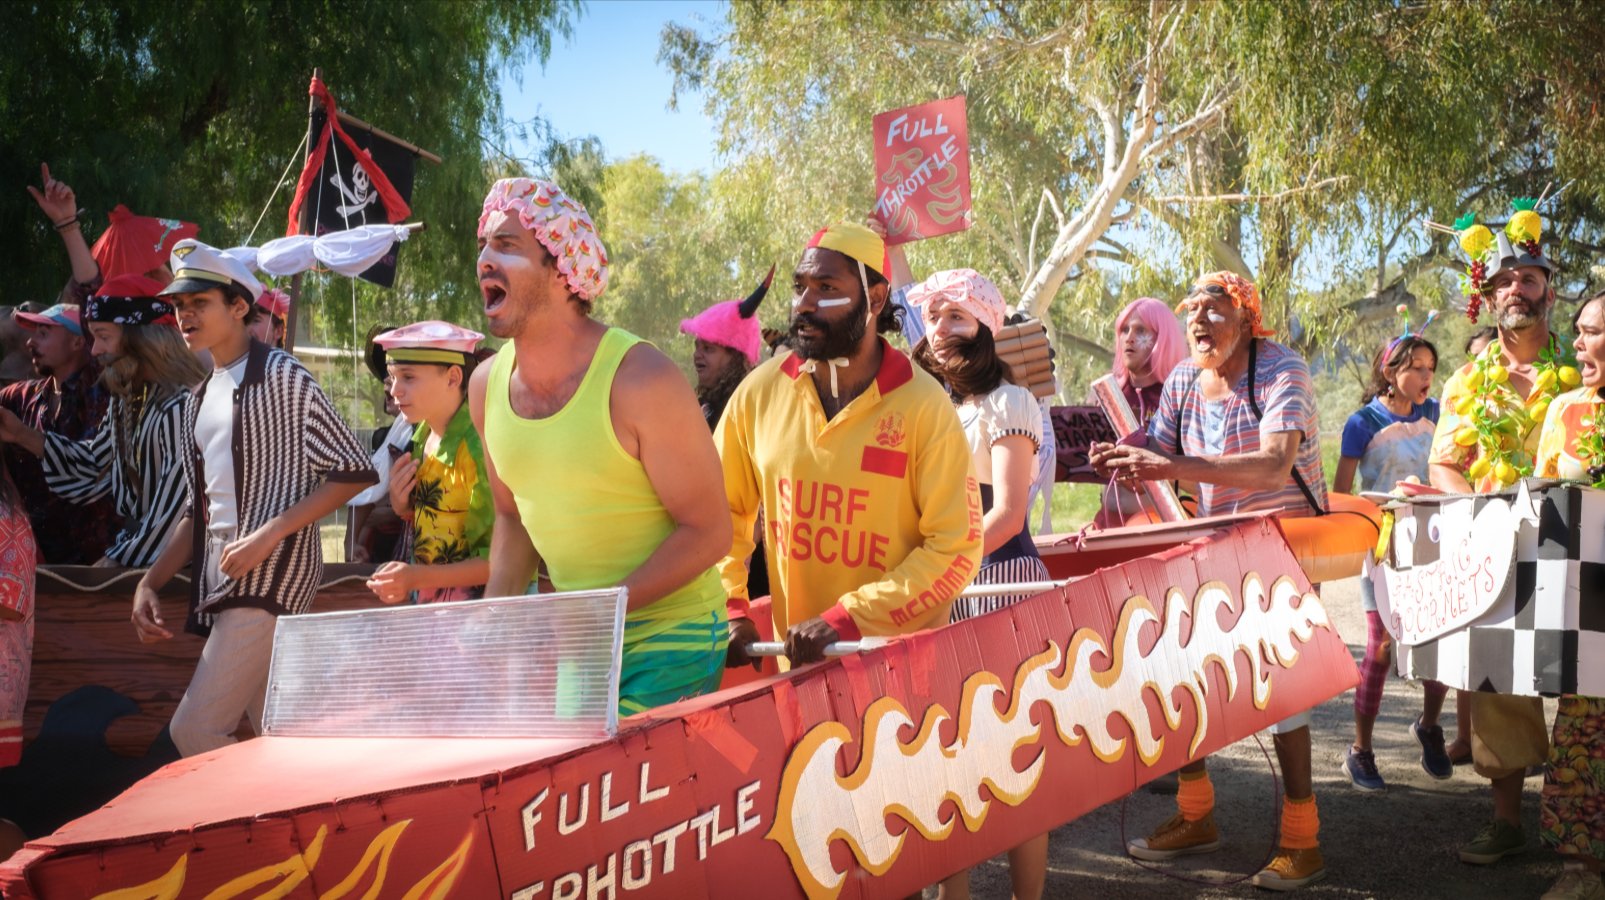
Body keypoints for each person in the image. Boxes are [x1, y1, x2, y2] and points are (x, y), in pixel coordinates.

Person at [1090, 271, 1328, 890]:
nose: (1198, 318)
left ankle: (1302, 840)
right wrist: (1123, 457)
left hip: (1282, 551)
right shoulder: (1181, 382)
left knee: (1282, 693)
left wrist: (1167, 462)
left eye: (1214, 307)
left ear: (1247, 318)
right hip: (1212, 553)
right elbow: (1160, 456)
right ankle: (1195, 815)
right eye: (1191, 308)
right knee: (1180, 675)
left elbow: (1274, 464)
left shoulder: (1283, 370)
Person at [469, 178, 731, 716]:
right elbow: (512, 517)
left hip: (672, 637)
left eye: (507, 245)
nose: (485, 261)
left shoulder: (642, 379)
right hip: (582, 646)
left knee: (622, 770)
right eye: (484, 247)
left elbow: (709, 532)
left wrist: (599, 613)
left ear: (562, 270)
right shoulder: (484, 386)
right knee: (571, 769)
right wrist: (497, 615)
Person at [131, 239, 376, 756]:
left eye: (200, 303)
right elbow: (198, 511)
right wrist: (149, 582)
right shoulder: (197, 399)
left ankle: (232, 815)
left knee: (194, 729)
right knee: (279, 738)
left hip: (272, 575)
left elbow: (353, 471)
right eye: (179, 304)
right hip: (225, 577)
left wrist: (268, 536)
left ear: (239, 306)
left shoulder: (285, 376)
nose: (185, 315)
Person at [717, 221, 982, 670]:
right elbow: (718, 511)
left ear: (875, 299)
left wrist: (849, 619)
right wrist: (730, 606)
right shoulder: (758, 393)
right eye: (799, 287)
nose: (804, 303)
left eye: (825, 287)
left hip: (903, 679)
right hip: (797, 678)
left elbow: (956, 549)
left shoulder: (925, 406)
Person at [1429, 205, 1576, 866]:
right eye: (1504, 281)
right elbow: (1442, 463)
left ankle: (1582, 822)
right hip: (1499, 554)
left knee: (1588, 681)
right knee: (1499, 683)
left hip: (1578, 549)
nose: (1516, 289)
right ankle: (1507, 821)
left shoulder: (1585, 369)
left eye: (1528, 278)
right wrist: (1480, 515)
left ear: (1549, 291)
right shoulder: (1467, 380)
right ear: (1487, 297)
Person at [906, 267, 1048, 900]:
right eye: (934, 316)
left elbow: (1009, 514)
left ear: (986, 327)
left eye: (956, 316)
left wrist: (939, 570)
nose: (941, 328)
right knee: (944, 754)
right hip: (943, 586)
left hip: (1000, 584)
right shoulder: (926, 406)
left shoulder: (1009, 403)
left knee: (1015, 752)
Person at [0, 276, 206, 567]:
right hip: (138, 558)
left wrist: (114, 564)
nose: (95, 350)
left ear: (142, 340)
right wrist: (22, 435)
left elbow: (174, 516)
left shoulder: (179, 408)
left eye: (104, 336)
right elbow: (95, 465)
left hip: (171, 570)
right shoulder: (128, 401)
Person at [1330, 329, 1454, 790]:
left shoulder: (1437, 414)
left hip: (1434, 541)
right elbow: (1342, 492)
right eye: (1416, 367)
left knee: (1438, 640)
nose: (1426, 377)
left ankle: (1429, 726)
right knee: (1381, 648)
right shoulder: (1361, 423)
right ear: (1390, 371)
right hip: (1382, 544)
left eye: (1430, 368)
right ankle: (1360, 751)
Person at [1532, 289, 1605, 900]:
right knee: (1582, 732)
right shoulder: (1566, 408)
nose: (1578, 344)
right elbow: (1546, 502)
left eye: (1592, 332)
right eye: (1578, 331)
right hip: (1589, 607)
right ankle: (1580, 872)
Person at [365, 321, 491, 605]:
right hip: (435, 613)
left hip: (481, 619)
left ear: (453, 377)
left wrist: (416, 578)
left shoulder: (479, 447)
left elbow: (501, 560)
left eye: (408, 377)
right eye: (393, 378)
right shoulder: (423, 435)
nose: (394, 391)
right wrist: (403, 507)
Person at [0, 304, 116, 563]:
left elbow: (90, 467)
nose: (30, 342)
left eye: (43, 333)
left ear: (77, 342)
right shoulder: (23, 397)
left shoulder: (105, 396)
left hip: (98, 565)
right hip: (34, 558)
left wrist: (22, 435)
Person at [1095, 297, 1188, 526]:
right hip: (1110, 520)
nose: (1129, 337)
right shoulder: (1108, 394)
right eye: (1124, 330)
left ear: (1162, 338)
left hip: (1162, 524)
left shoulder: (1180, 395)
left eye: (1140, 330)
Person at [346, 324, 413, 564]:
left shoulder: (435, 430)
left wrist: (396, 511)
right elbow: (367, 490)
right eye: (390, 376)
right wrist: (352, 541)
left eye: (406, 376)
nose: (390, 385)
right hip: (387, 551)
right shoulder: (387, 436)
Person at [680, 269, 773, 429]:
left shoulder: (750, 406)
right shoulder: (704, 405)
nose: (697, 355)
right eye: (697, 347)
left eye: (708, 348)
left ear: (735, 358)